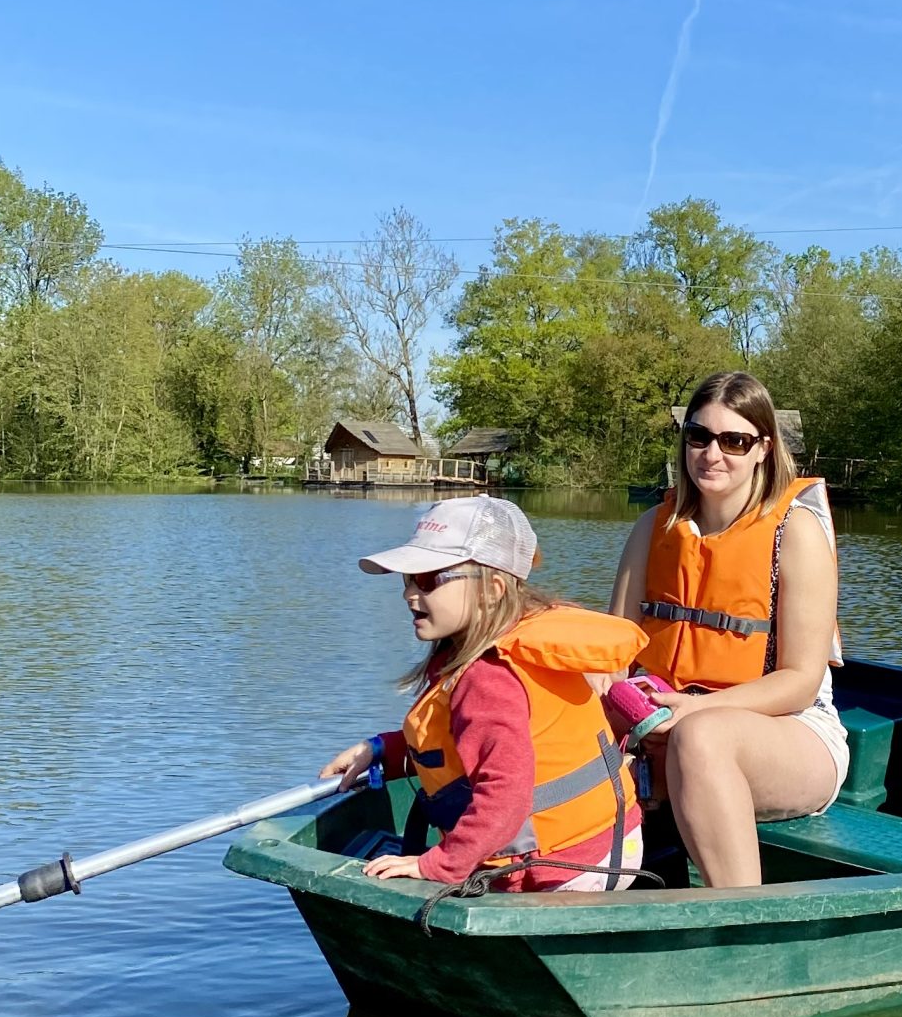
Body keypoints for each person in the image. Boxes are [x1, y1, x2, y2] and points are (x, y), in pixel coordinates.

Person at [322, 495, 650, 892]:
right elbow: (462, 748)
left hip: (565, 868)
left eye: (428, 580)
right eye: (407, 579)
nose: (410, 594)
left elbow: (505, 798)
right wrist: (382, 751)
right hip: (608, 842)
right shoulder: (505, 644)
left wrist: (438, 866)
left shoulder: (488, 679)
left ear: (493, 588)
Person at [609, 370, 845, 889]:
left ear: (763, 448)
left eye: (734, 440)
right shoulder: (653, 527)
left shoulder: (796, 532)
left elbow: (800, 682)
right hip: (664, 724)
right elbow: (612, 654)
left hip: (793, 732)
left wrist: (696, 708)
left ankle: (739, 920)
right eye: (699, 436)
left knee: (701, 737)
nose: (712, 454)